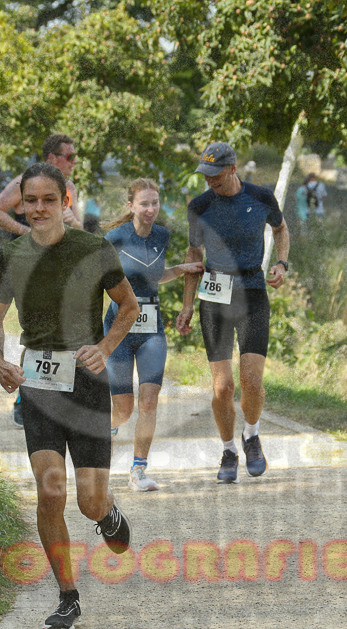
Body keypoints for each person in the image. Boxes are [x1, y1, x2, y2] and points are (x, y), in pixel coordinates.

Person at [0, 163, 138, 629]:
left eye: (48, 200)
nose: (38, 209)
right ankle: (67, 596)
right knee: (50, 491)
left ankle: (106, 512)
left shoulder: (93, 250)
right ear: (21, 203)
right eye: (30, 201)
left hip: (87, 384)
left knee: (88, 502)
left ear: (65, 200)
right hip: (39, 386)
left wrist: (105, 347)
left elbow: (128, 307)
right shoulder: (10, 256)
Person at [175, 142, 290, 483]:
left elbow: (281, 229)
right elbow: (195, 253)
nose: (209, 180)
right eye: (205, 175)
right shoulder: (200, 206)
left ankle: (251, 435)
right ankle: (228, 450)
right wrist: (186, 304)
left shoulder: (261, 197)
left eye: (215, 175)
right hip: (215, 295)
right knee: (223, 387)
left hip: (253, 291)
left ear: (232, 168)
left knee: (252, 380)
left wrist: (282, 264)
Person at [103, 178, 202, 491]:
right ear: (131, 206)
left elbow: (155, 275)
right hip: (119, 327)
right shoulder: (114, 237)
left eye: (154, 203)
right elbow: (99, 280)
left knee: (148, 402)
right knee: (124, 409)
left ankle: (139, 471)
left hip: (151, 329)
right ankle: (105, 429)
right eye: (143, 204)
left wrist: (183, 270)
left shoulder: (162, 235)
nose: (150, 209)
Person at [0, 133, 85, 428]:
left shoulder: (70, 188)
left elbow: (79, 225)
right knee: (40, 325)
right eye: (70, 157)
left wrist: (73, 226)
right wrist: (25, 232)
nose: (74, 163)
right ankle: (25, 396)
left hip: (63, 262)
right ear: (52, 157)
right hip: (30, 262)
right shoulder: (24, 181)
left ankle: (66, 392)